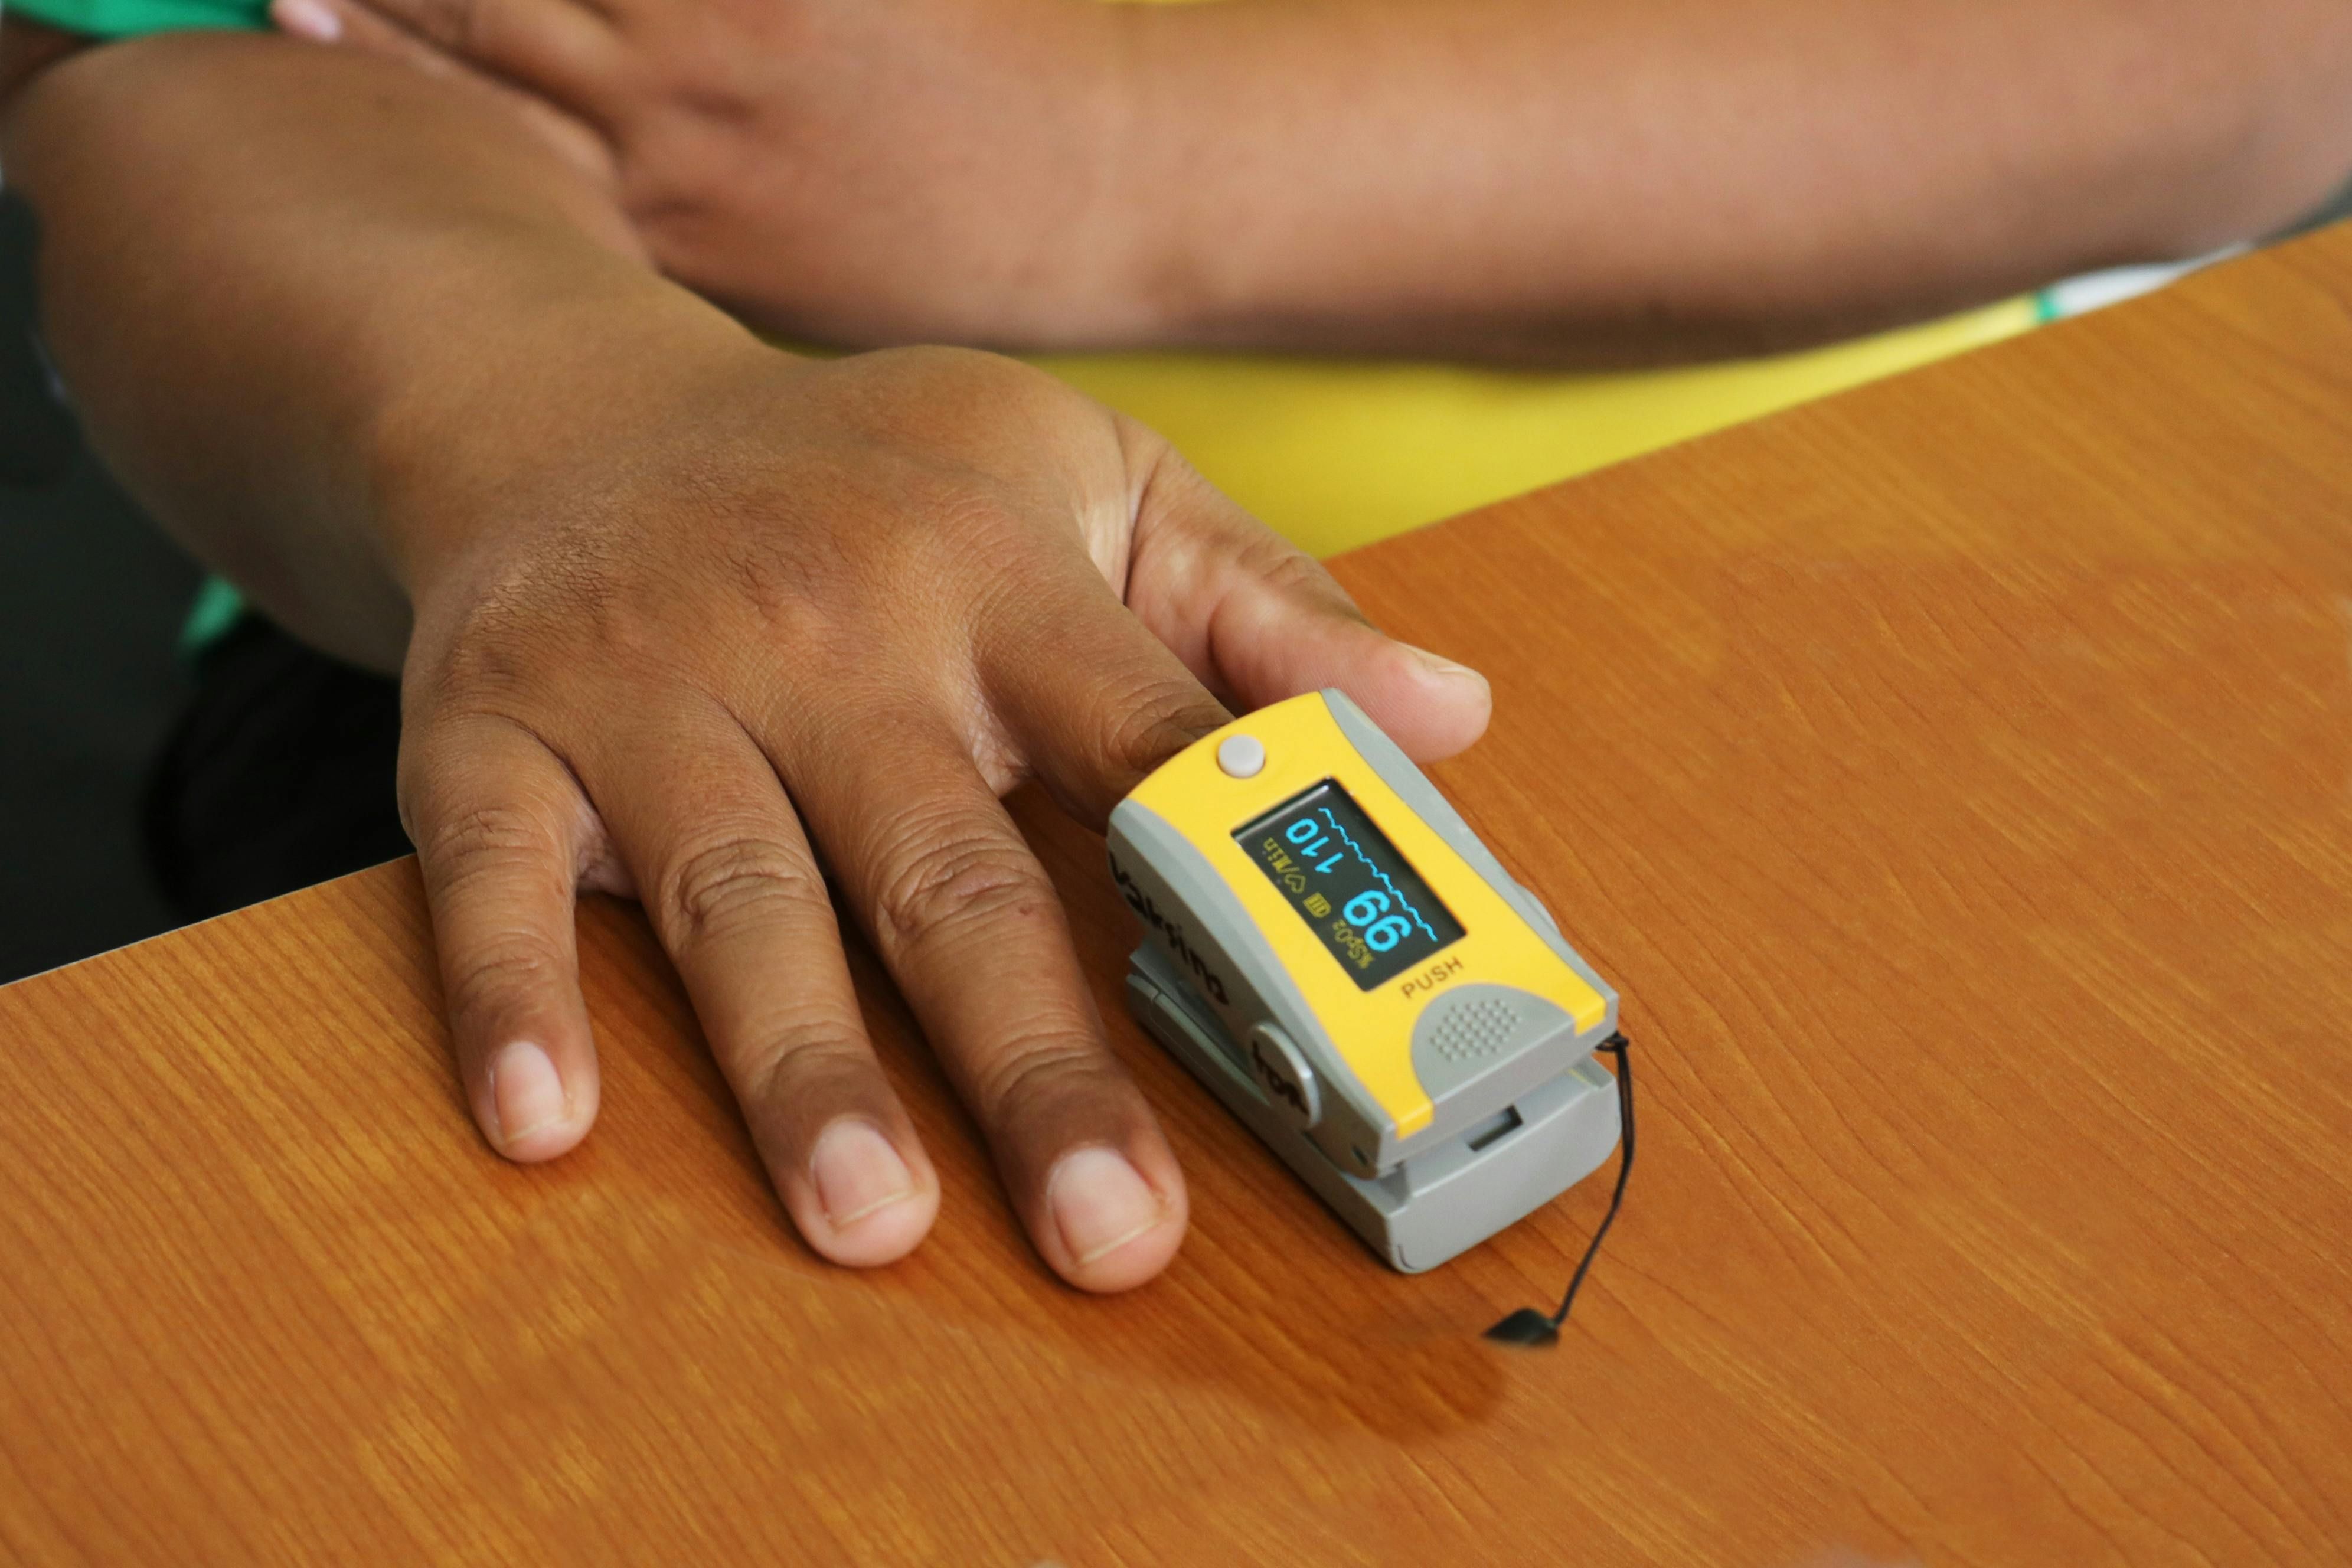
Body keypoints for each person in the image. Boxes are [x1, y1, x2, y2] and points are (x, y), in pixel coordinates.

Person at [1, 0, 2345, 1297]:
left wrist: (1111, 162)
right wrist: (579, 431)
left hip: (1946, 531)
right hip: (586, 584)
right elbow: (157, 69)